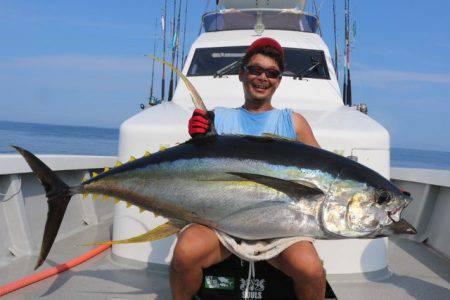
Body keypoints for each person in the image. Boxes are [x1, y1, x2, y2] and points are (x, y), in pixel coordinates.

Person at [170, 37, 325, 300]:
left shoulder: (294, 122)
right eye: (255, 70)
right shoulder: (218, 118)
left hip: (281, 230)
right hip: (221, 224)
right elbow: (196, 170)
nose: (262, 77)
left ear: (278, 80)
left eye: (271, 73)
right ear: (242, 73)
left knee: (311, 270)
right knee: (184, 254)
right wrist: (197, 139)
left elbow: (323, 174)